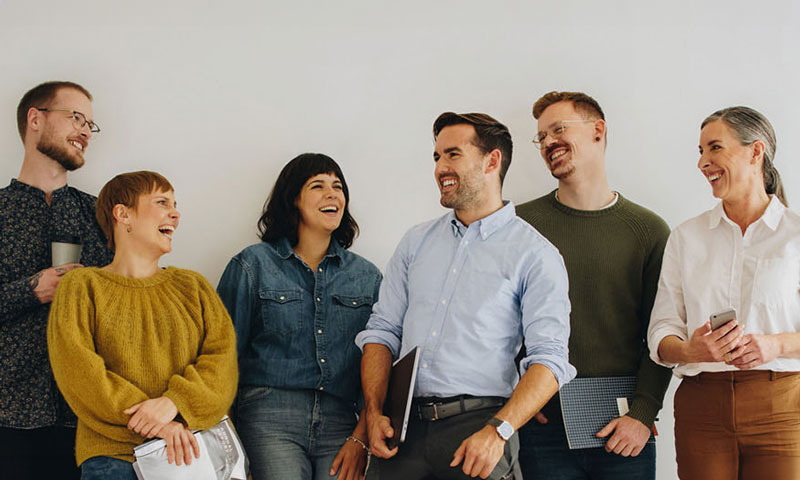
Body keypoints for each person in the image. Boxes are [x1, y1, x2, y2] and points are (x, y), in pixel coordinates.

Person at [356, 112, 575, 480]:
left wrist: (498, 431)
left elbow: (550, 361)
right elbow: (381, 332)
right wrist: (374, 413)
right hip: (400, 433)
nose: (440, 167)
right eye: (437, 157)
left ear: (492, 161)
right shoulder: (415, 242)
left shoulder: (535, 254)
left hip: (479, 431)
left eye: (453, 154)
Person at [516, 91, 672, 479]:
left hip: (625, 428)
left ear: (598, 130)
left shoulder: (649, 231)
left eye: (559, 129)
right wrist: (517, 392)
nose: (549, 142)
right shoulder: (518, 226)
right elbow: (496, 319)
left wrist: (642, 413)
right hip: (542, 423)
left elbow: (661, 332)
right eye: (542, 137)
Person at [47, 171, 238, 479]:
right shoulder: (82, 286)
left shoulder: (193, 286)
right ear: (123, 215)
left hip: (189, 456)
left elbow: (222, 364)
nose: (175, 214)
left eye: (175, 205)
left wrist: (174, 403)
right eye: (162, 202)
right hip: (113, 457)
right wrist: (158, 421)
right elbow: (78, 370)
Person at [648, 106, 800, 479]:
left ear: (755, 151)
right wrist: (689, 349)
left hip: (782, 404)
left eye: (714, 148)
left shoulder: (796, 235)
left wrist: (774, 345)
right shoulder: (686, 237)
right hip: (702, 405)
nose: (703, 161)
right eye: (700, 151)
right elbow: (661, 330)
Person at [217, 153, 382, 480]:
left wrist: (361, 438)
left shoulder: (367, 277)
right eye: (317, 186)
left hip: (342, 422)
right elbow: (222, 358)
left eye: (338, 186)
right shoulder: (253, 265)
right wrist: (230, 447)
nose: (332, 194)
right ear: (294, 199)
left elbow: (377, 365)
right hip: (268, 416)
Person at [0, 81, 113, 479]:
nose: (85, 131)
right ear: (35, 119)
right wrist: (32, 290)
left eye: (91, 125)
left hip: (85, 416)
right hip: (7, 413)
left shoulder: (102, 215)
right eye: (76, 117)